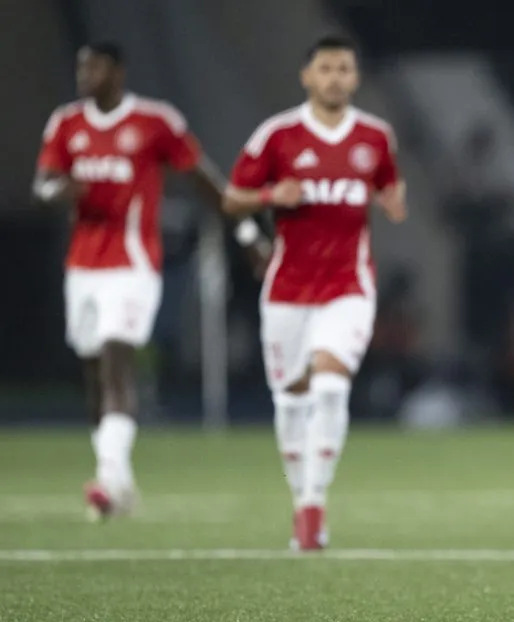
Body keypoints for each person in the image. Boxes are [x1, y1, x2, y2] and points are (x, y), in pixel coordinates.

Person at [33, 42, 269, 520]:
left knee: (117, 359)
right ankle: (119, 484)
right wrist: (61, 191)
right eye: (80, 65)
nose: (85, 74)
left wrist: (244, 230)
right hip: (83, 267)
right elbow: (42, 185)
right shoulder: (66, 124)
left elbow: (205, 182)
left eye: (94, 66)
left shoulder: (155, 122)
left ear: (118, 71)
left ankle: (108, 477)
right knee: (95, 374)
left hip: (133, 263)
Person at [223, 34, 406, 551]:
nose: (334, 77)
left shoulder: (375, 136)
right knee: (291, 399)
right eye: (325, 68)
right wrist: (267, 196)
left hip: (348, 286)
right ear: (307, 76)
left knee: (330, 385)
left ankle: (312, 507)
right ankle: (300, 495)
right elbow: (232, 198)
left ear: (356, 76)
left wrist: (394, 202)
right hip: (286, 290)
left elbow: (390, 186)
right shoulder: (277, 136)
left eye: (344, 68)